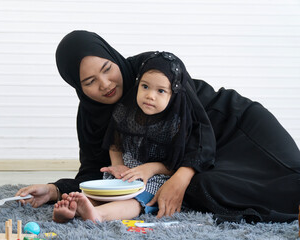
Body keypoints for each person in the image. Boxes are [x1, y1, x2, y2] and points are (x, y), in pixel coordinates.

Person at [16, 30, 300, 223]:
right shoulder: (91, 116)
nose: (105, 85)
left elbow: (199, 126)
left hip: (232, 126)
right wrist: (54, 190)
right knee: (205, 190)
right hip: (199, 160)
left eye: (106, 69)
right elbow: (94, 170)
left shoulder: (151, 68)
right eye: (89, 82)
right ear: (77, 87)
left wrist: (180, 176)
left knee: (291, 180)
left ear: (113, 57)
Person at [52, 51, 214, 223]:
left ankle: (99, 215)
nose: (150, 95)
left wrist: (151, 168)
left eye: (160, 91)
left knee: (135, 202)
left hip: (155, 177)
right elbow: (115, 143)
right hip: (125, 174)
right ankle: (75, 209)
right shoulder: (125, 111)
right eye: (145, 87)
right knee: (105, 193)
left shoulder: (176, 123)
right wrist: (118, 165)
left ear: (173, 94)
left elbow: (178, 162)